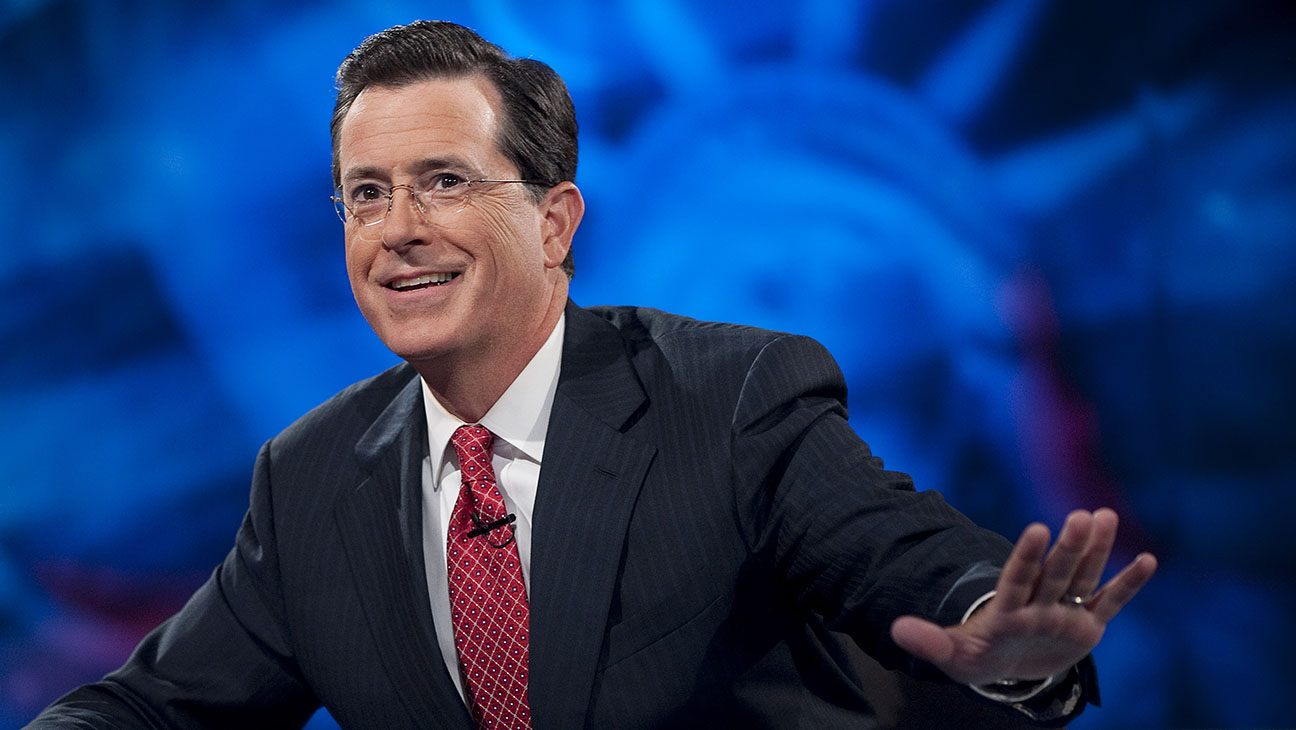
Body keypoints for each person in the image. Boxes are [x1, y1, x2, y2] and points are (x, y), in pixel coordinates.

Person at [26, 20, 1156, 730]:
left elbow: (892, 547)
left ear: (555, 222)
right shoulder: (313, 474)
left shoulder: (738, 397)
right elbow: (163, 702)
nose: (399, 230)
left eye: (445, 183)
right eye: (367, 195)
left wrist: (992, 626)